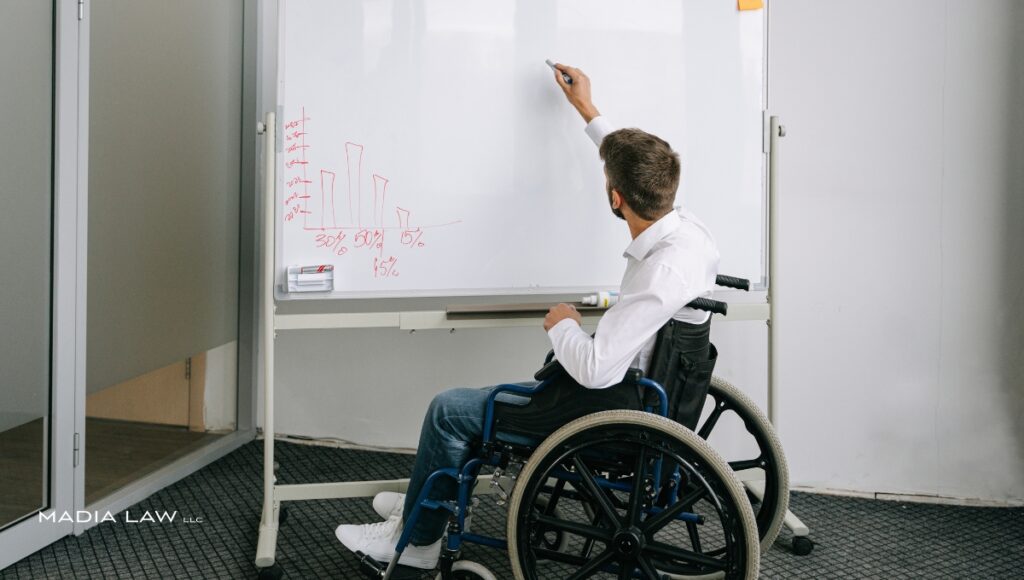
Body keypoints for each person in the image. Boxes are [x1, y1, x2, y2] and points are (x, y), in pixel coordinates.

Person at [334, 63, 720, 570]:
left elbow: (597, 368)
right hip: (648, 396)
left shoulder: (661, 273)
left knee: (450, 410)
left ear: (616, 198)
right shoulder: (688, 230)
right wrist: (586, 109)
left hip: (613, 410)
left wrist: (561, 323)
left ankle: (419, 543)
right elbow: (633, 166)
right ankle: (419, 508)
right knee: (478, 404)